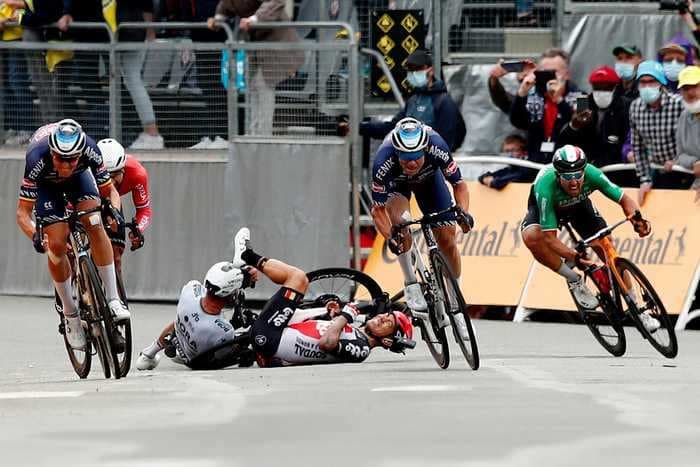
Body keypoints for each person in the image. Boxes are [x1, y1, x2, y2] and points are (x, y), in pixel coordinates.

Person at [137, 227, 415, 369]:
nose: (380, 316)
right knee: (297, 287)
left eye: (387, 322)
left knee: (299, 280)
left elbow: (328, 341)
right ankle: (246, 260)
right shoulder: (354, 333)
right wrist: (326, 313)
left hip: (269, 339)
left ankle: (247, 256)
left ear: (388, 340)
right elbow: (319, 331)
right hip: (272, 337)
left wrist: (345, 316)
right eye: (385, 314)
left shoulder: (362, 349)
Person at [15, 119, 130, 350]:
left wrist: (115, 212)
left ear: (80, 153)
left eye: (72, 160)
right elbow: (22, 213)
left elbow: (111, 192)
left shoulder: (90, 149)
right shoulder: (37, 157)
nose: (66, 165)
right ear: (52, 152)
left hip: (81, 180)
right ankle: (70, 314)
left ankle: (113, 299)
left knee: (95, 220)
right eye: (60, 159)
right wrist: (35, 237)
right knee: (56, 246)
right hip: (47, 187)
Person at [520, 145, 658, 331]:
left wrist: (638, 220)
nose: (574, 181)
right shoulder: (546, 186)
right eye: (568, 177)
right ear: (558, 175)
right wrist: (575, 258)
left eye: (578, 175)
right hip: (549, 208)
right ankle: (573, 279)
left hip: (579, 207)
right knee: (532, 237)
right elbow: (550, 239)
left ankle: (638, 311)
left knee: (608, 250)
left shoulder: (592, 174)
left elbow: (624, 199)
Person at [370, 118, 473, 313]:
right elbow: (378, 210)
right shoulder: (383, 160)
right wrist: (390, 237)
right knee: (401, 223)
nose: (411, 162)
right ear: (396, 152)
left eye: (417, 155)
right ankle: (411, 283)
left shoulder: (437, 146)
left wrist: (463, 212)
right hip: (396, 186)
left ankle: (455, 298)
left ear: (425, 149)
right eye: (405, 157)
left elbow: (459, 184)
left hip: (430, 182)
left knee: (448, 240)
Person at [208, 0, 304, 136]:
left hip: (275, 40)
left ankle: (263, 136)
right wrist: (217, 20)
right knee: (252, 86)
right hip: (254, 43)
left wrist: (254, 19)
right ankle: (253, 134)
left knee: (264, 85)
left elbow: (275, 2)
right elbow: (224, 6)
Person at [360, 49, 466, 151]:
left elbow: (446, 143)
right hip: (410, 162)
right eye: (410, 69)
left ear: (430, 70)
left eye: (418, 69)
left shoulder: (443, 102)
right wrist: (360, 127)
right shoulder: (413, 100)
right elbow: (392, 129)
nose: (414, 73)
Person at [629, 60, 686, 205]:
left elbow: (692, 139)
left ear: (661, 83)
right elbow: (638, 147)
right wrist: (645, 180)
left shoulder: (679, 104)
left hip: (683, 171)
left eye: (651, 81)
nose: (647, 86)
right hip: (656, 171)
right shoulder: (635, 108)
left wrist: (679, 160)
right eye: (643, 82)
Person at [510, 48, 579, 164]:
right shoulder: (531, 95)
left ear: (567, 74)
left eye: (554, 72)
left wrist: (559, 101)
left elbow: (582, 129)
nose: (549, 76)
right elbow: (517, 122)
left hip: (568, 164)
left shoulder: (581, 96)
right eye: (545, 72)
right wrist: (521, 94)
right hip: (535, 163)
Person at [97, 138, 152, 276]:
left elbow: (144, 210)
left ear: (123, 169)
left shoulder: (137, 173)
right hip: (92, 197)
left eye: (115, 175)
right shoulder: (86, 172)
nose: (110, 182)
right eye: (106, 177)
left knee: (116, 258)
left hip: (112, 203)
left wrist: (137, 229)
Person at [558, 66, 631, 168]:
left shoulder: (626, 106)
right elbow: (564, 142)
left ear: (615, 87)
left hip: (616, 169)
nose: (602, 92)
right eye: (597, 88)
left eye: (607, 88)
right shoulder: (584, 104)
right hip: (586, 168)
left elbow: (626, 140)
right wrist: (574, 126)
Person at [674, 66, 700, 200]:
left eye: (694, 86)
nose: (690, 92)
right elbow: (680, 155)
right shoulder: (684, 116)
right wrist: (695, 162)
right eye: (685, 88)